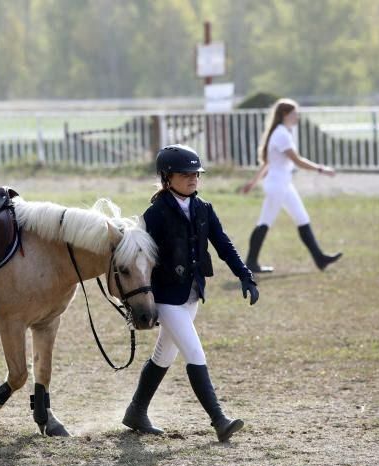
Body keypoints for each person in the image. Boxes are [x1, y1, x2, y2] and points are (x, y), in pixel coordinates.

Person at [122, 144, 258, 443]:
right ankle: (219, 420)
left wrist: (245, 275)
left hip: (192, 293)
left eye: (196, 173)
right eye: (185, 174)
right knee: (194, 352)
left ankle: (136, 411)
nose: (193, 179)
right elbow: (140, 259)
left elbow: (223, 244)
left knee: (164, 355)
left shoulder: (203, 208)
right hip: (166, 296)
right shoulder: (155, 214)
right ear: (167, 178)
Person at [242, 98, 342, 272]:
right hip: (277, 185)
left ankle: (320, 258)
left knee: (302, 218)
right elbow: (297, 160)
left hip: (283, 184)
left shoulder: (282, 132)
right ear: (284, 114)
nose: (297, 117)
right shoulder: (281, 134)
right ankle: (250, 262)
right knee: (264, 222)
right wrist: (321, 169)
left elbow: (267, 163)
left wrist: (253, 182)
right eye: (295, 114)